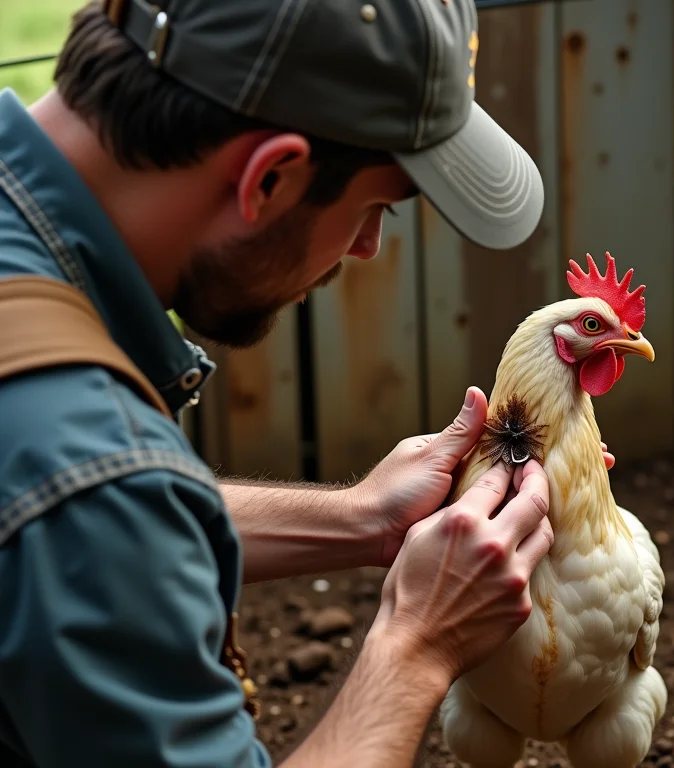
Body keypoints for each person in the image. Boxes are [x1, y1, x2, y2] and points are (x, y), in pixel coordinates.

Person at [0, 1, 615, 766]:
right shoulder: (93, 479)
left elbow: (61, 514)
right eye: (374, 207)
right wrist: (417, 642)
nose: (366, 247)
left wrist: (363, 519)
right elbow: (88, 503)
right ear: (271, 177)